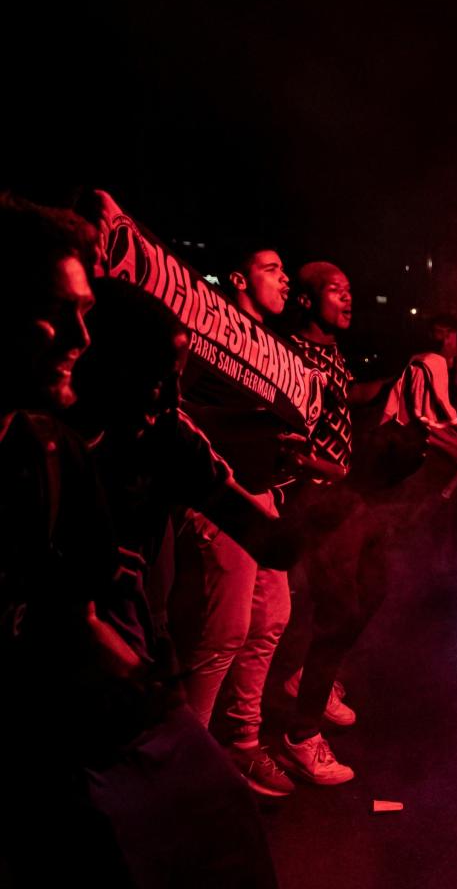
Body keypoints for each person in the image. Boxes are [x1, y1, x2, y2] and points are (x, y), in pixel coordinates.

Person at [0, 193, 276, 888]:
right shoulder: (46, 449)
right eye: (66, 315)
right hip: (65, 721)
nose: (79, 338)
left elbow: (264, 535)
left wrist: (352, 517)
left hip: (114, 690)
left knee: (216, 824)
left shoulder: (126, 440)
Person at [173, 247, 298, 797]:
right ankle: (187, 764)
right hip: (223, 495)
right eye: (272, 269)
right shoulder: (211, 336)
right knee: (226, 629)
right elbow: (178, 405)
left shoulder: (273, 351)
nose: (285, 279)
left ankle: (241, 742)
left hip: (263, 493)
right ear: (238, 278)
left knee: (272, 616)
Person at [276, 261, 370, 785]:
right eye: (337, 291)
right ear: (309, 300)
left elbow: (345, 395)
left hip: (338, 493)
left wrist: (397, 385)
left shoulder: (332, 351)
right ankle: (300, 734)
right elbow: (286, 432)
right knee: (335, 609)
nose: (347, 298)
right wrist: (323, 468)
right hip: (310, 495)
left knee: (367, 590)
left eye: (349, 290)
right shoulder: (290, 352)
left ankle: (310, 680)